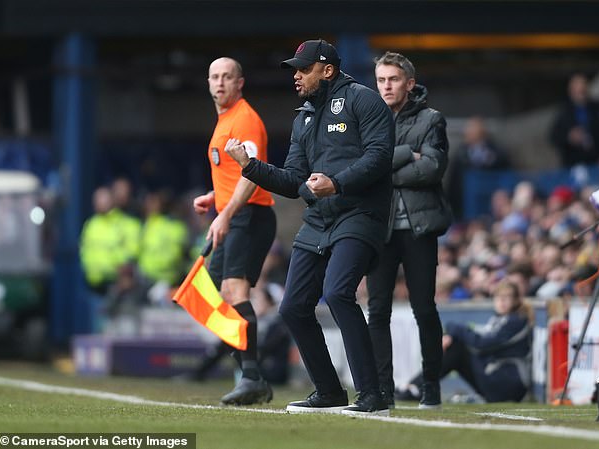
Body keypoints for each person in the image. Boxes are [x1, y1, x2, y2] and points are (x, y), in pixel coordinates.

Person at [226, 39, 394, 416]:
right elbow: (293, 179)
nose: (296, 77)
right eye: (295, 71)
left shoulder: (362, 100)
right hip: (319, 219)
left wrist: (337, 182)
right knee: (293, 307)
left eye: (303, 69)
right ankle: (329, 392)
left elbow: (380, 157)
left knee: (337, 294)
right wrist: (250, 167)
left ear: (328, 70)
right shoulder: (303, 117)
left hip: (360, 214)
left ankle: (373, 395)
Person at [367, 51, 452, 410]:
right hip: (379, 230)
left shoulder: (432, 119)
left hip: (419, 229)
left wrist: (385, 165)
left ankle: (431, 384)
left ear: (409, 83)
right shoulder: (368, 119)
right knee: (378, 310)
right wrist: (408, 154)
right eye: (382, 80)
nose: (387, 86)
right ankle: (382, 390)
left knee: (424, 309)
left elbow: (433, 169)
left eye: (394, 79)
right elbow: (365, 171)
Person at [192, 57, 276, 405]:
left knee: (233, 289)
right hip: (234, 212)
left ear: (240, 83)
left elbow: (251, 173)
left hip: (250, 215)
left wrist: (225, 212)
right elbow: (231, 172)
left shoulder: (244, 119)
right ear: (209, 82)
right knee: (215, 293)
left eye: (228, 76)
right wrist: (216, 197)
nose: (220, 82)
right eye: (215, 76)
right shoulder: (224, 120)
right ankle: (250, 372)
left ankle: (251, 376)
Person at [397, 280, 533, 403]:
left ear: (515, 301)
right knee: (456, 346)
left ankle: (416, 387)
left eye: (507, 297)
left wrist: (454, 329)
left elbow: (481, 345)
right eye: (498, 297)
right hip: (497, 380)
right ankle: (416, 386)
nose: (502, 301)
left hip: (509, 384)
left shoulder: (516, 321)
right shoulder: (499, 320)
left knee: (457, 348)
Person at [549, 73, 599, 168]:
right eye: (577, 90)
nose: (581, 92)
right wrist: (569, 136)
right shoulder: (564, 112)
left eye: (583, 89)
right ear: (571, 92)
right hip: (576, 163)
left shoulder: (598, 108)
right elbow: (553, 136)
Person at [447, 117, 509, 219]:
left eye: (473, 130)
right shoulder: (461, 154)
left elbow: (505, 169)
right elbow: (454, 181)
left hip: (491, 195)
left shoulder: (495, 151)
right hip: (465, 203)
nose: (469, 133)